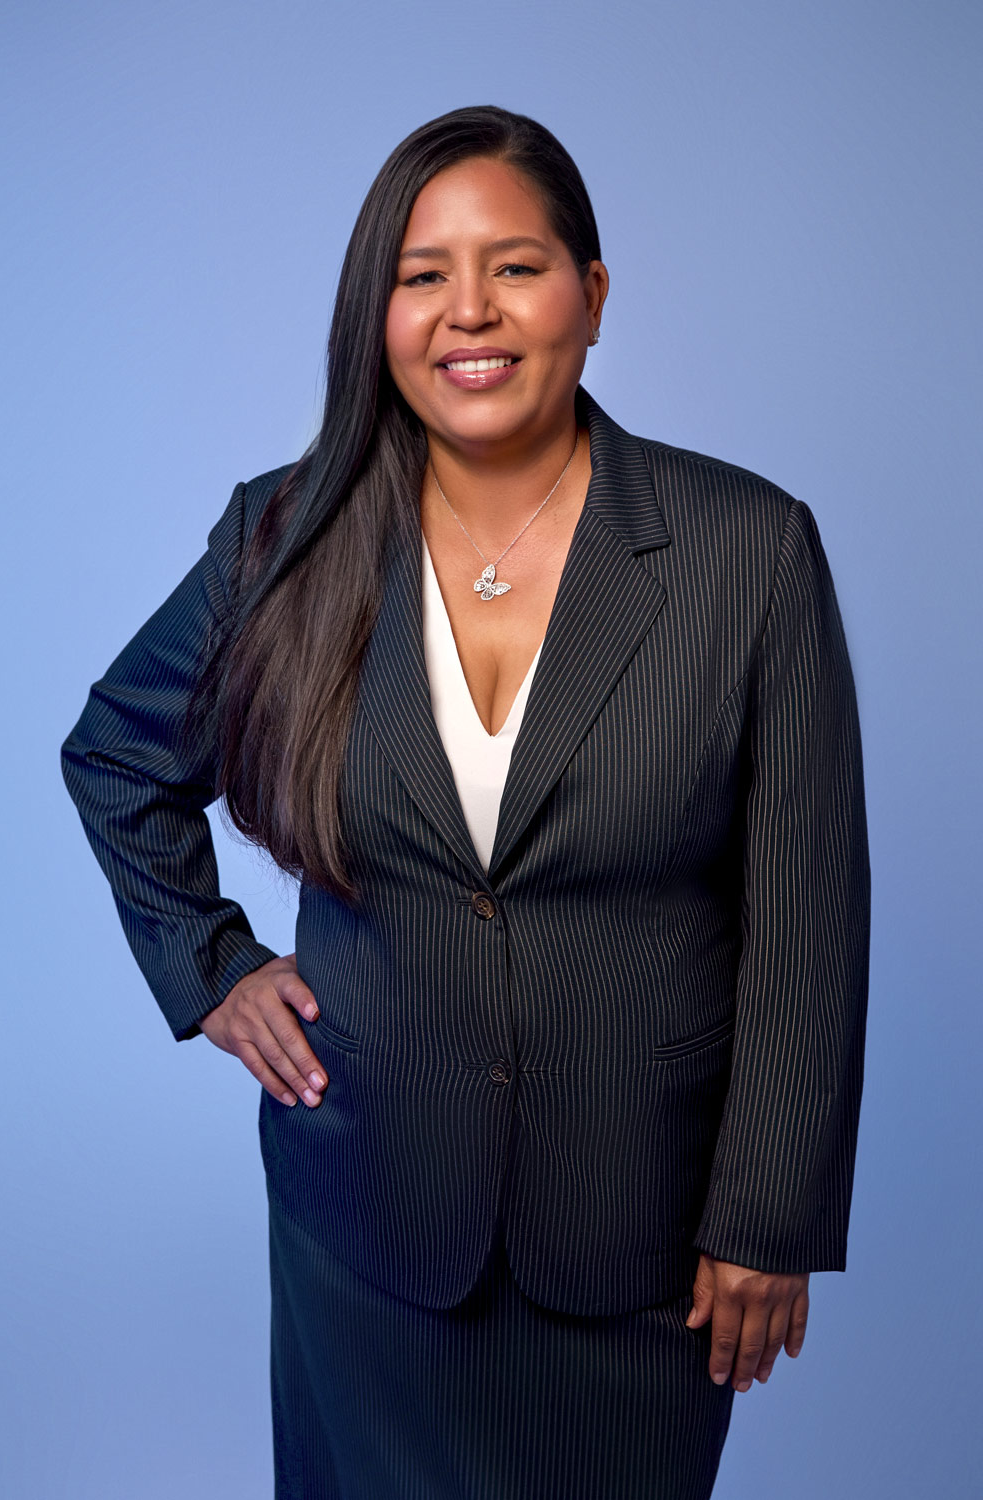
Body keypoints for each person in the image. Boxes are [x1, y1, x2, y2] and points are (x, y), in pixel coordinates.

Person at [61, 104, 871, 1500]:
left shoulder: (748, 550)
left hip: (641, 1245)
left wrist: (769, 1216)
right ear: (376, 313)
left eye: (516, 266)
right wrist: (211, 967)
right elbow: (117, 756)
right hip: (364, 1229)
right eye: (422, 274)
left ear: (593, 295)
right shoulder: (284, 535)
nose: (470, 312)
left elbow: (808, 915)